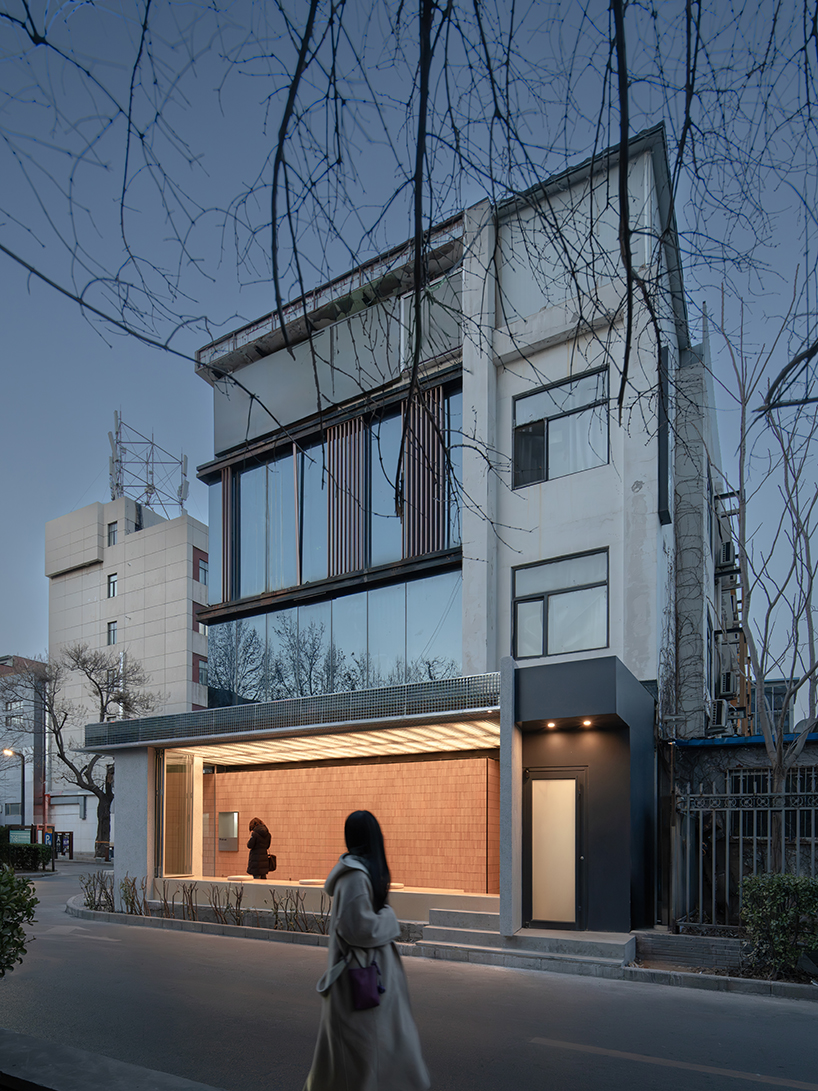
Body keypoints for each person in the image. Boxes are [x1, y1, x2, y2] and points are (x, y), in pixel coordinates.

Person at [303, 810, 430, 1091]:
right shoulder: (355, 878)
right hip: (361, 982)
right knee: (366, 1062)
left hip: (365, 979)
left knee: (367, 1062)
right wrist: (389, 919)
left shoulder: (358, 875)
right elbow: (359, 929)